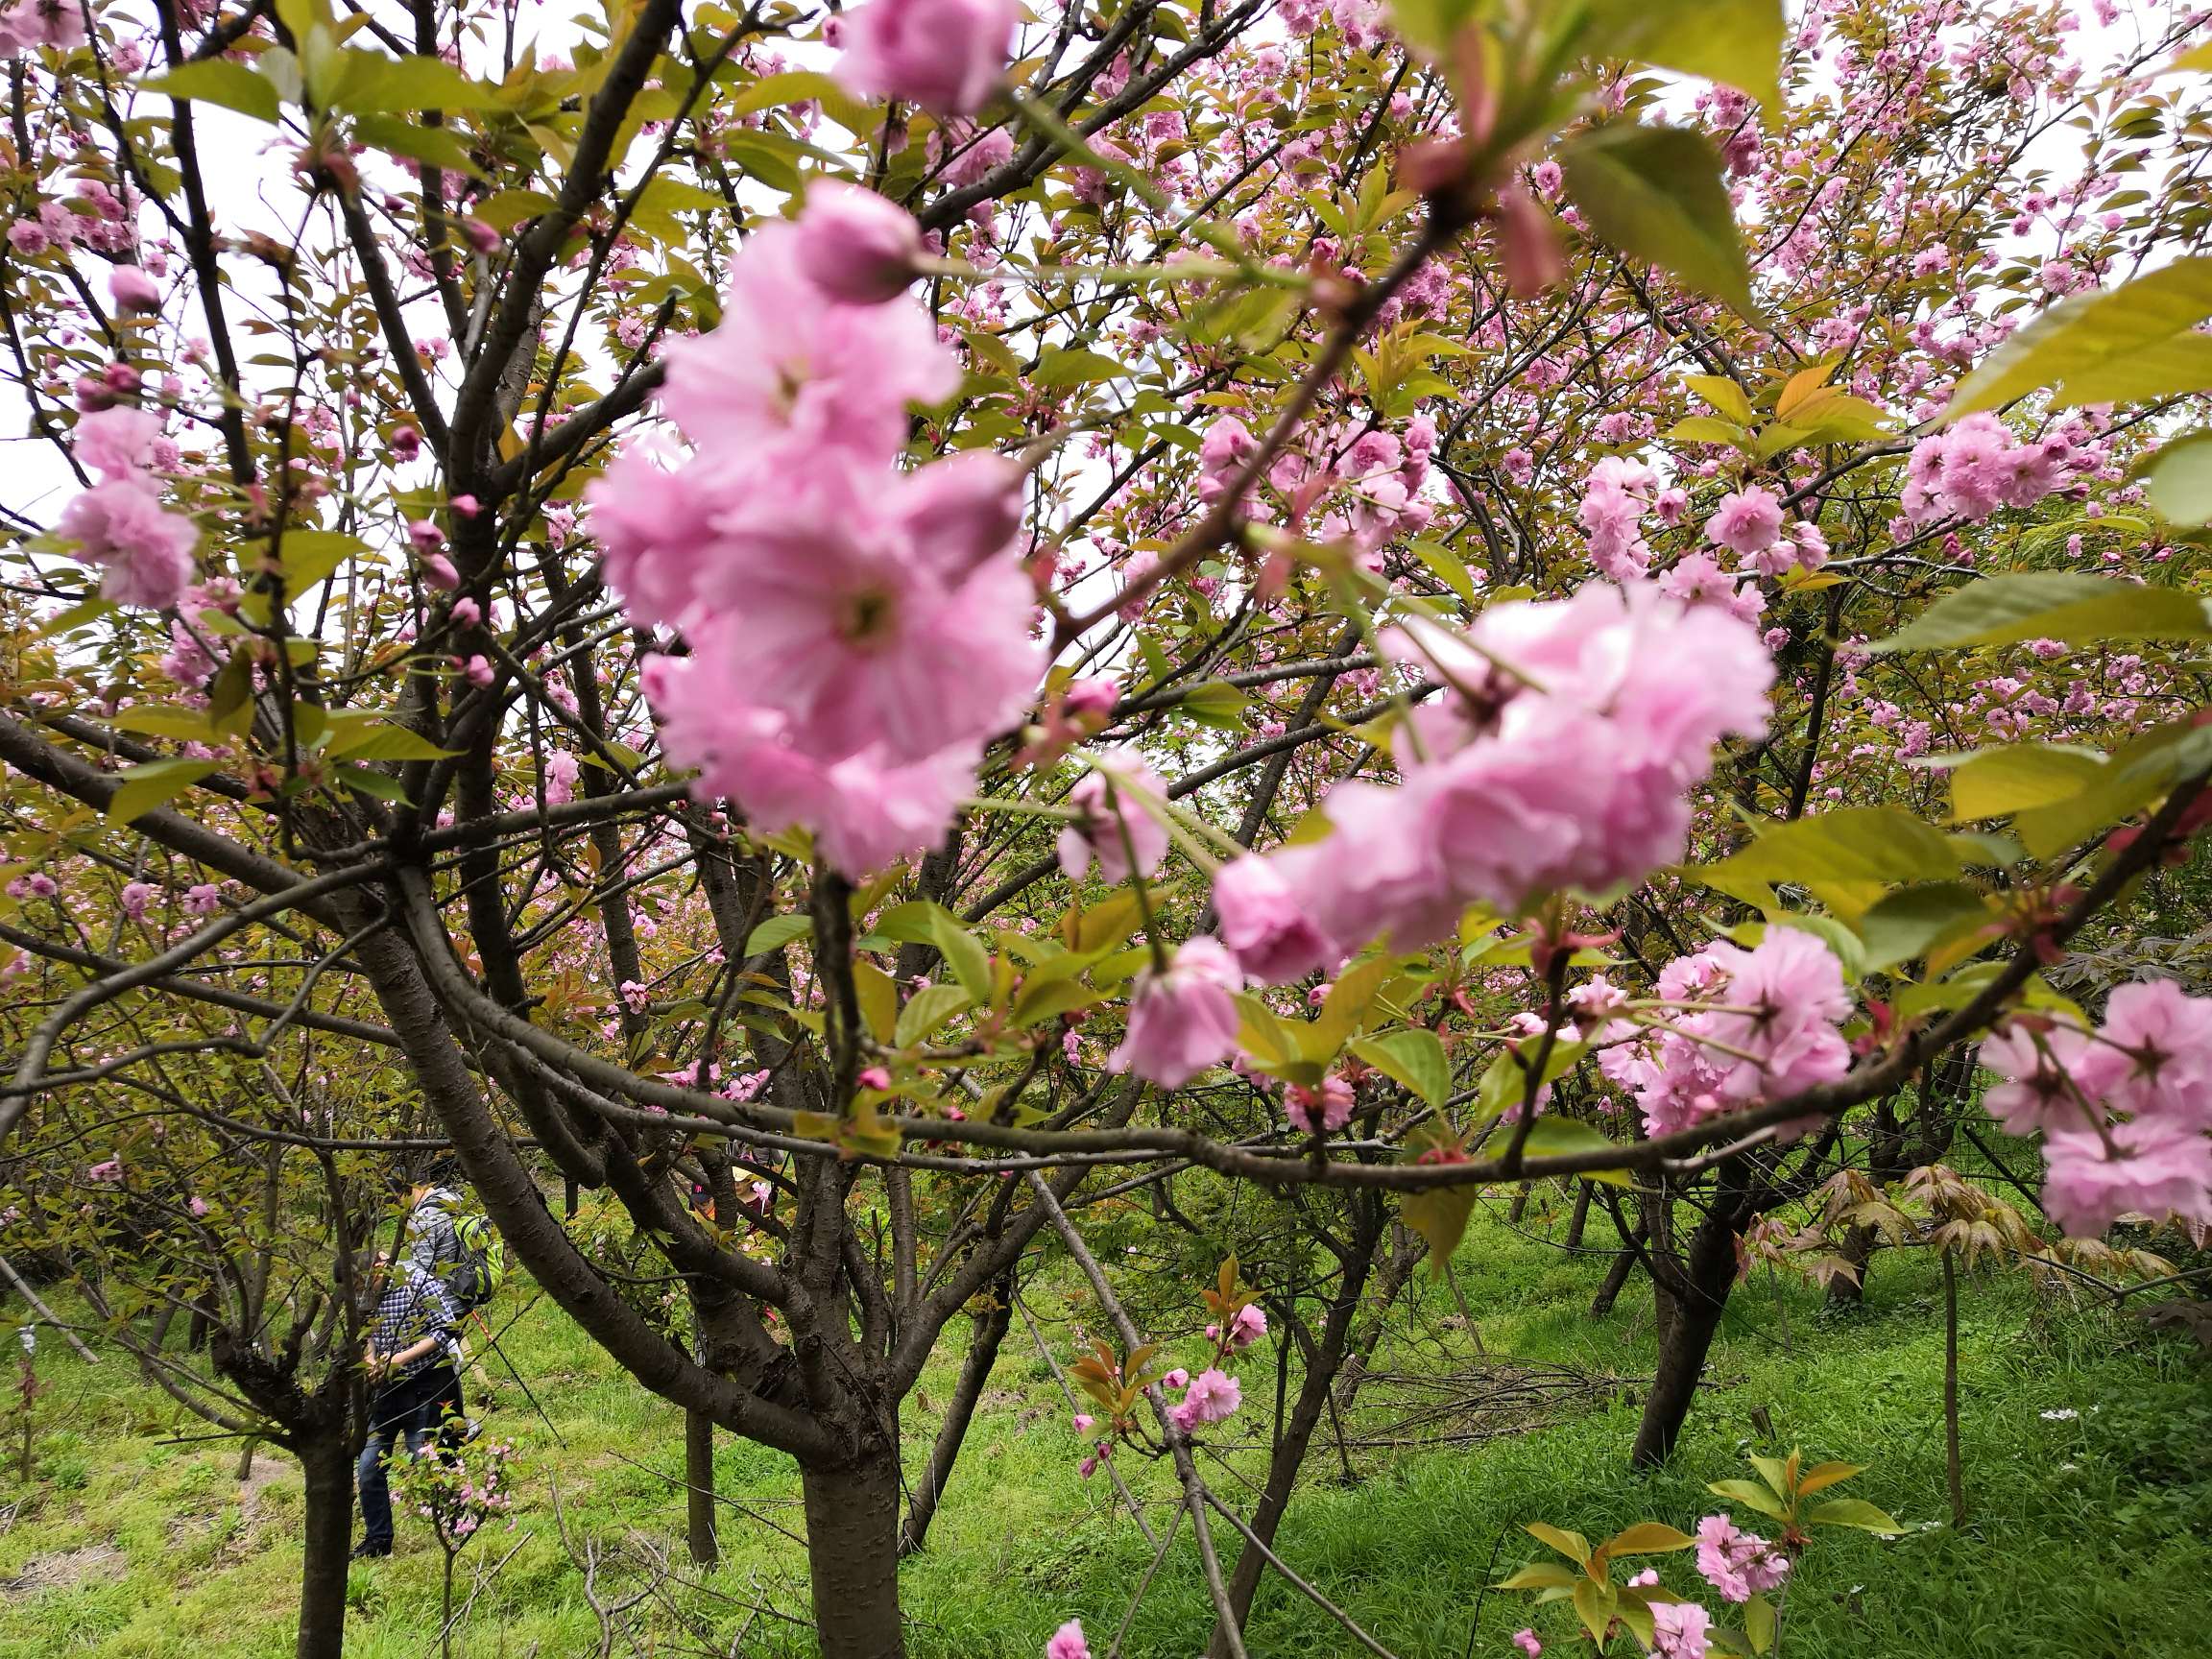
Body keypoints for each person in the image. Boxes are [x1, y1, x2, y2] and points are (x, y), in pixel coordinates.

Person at [352, 1254, 460, 1559]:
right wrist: (371, 1359)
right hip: (386, 1391)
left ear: (378, 1267)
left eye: (365, 1281)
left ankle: (455, 1526)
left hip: (426, 1382)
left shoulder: (418, 1281)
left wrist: (399, 1359)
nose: (364, 1288)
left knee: (424, 1460)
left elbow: (446, 1330)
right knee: (369, 1465)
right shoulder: (364, 1297)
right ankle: (378, 1540)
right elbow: (365, 1335)